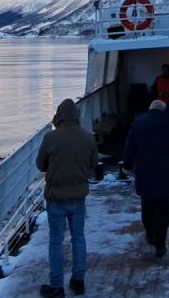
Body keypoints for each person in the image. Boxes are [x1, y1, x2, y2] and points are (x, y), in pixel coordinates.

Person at [36, 99, 96, 297]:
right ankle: (78, 280)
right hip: (78, 197)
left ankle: (57, 286)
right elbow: (93, 164)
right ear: (77, 116)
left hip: (56, 198)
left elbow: (40, 165)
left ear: (58, 116)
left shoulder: (50, 138)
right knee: (78, 237)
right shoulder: (88, 138)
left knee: (56, 241)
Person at [121, 99, 169, 258]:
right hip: (163, 172)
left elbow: (130, 147)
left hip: (144, 172)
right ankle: (160, 244)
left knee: (147, 205)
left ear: (150, 109)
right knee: (163, 210)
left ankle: (150, 232)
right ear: (163, 110)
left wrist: (127, 166)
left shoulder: (138, 123)